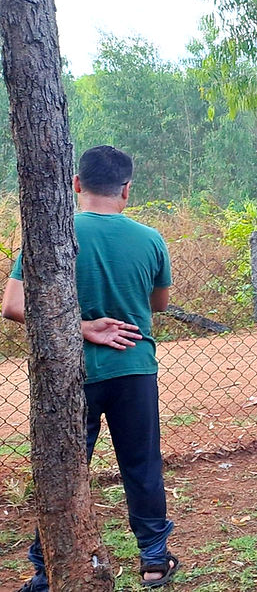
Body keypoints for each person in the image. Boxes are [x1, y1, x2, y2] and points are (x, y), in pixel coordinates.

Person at [3, 146, 179, 590]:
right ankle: (154, 559)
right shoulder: (150, 239)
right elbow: (158, 304)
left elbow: (13, 305)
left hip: (70, 373)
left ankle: (46, 571)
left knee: (65, 467)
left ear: (77, 185)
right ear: (126, 190)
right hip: (134, 369)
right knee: (141, 464)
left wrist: (80, 326)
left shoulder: (51, 236)